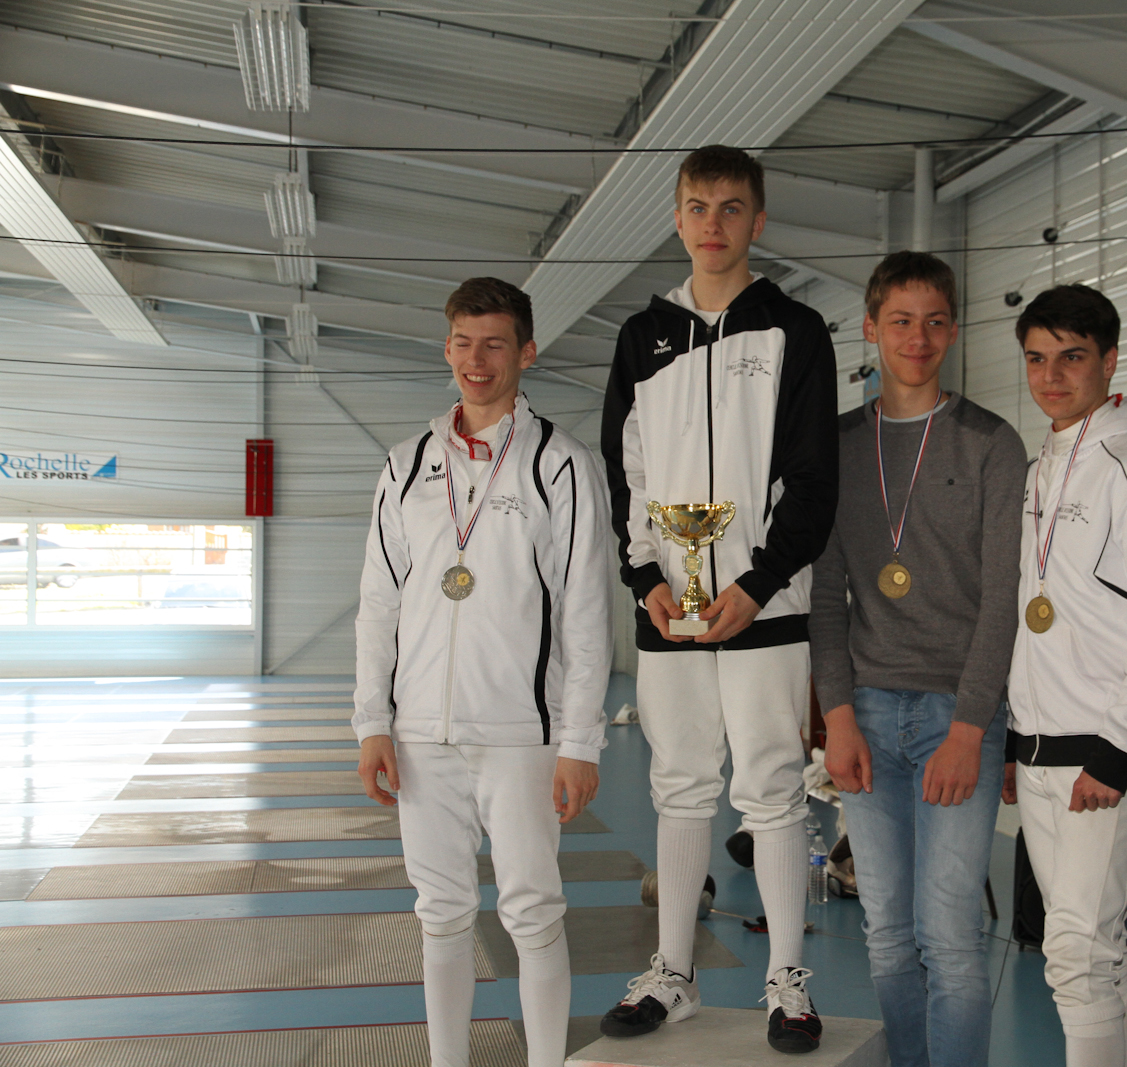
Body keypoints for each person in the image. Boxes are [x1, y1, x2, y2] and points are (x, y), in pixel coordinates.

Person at [599, 145, 839, 1054]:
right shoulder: (642, 335)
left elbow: (814, 478)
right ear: (677, 218)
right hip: (672, 609)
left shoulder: (795, 330)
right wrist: (647, 578)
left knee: (772, 788)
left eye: (731, 207)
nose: (713, 223)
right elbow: (625, 472)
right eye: (698, 207)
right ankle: (674, 972)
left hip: (764, 606)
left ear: (757, 221)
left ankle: (787, 980)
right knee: (679, 786)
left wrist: (759, 580)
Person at [353, 277, 613, 1067]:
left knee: (533, 911)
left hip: (520, 734)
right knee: (440, 912)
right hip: (420, 733)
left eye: (495, 343)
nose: (477, 359)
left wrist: (581, 741)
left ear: (526, 352)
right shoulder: (406, 464)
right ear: (447, 349)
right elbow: (378, 604)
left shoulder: (561, 465)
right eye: (464, 342)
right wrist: (372, 722)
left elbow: (586, 610)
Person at [811, 251, 1026, 1067]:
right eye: (901, 321)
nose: (918, 337)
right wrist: (836, 718)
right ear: (871, 328)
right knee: (888, 934)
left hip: (956, 716)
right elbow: (826, 594)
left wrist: (970, 727)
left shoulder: (990, 443)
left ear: (954, 331)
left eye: (935, 321)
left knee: (951, 936)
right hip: (866, 713)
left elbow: (1003, 598)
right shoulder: (837, 445)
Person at [1002, 285, 1127, 1067]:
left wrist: (1117, 751)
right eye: (1037, 359)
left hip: (1104, 752)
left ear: (1109, 360)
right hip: (1043, 747)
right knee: (1097, 952)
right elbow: (1038, 616)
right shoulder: (1042, 466)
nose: (1051, 377)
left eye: (1071, 357)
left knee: (1077, 954)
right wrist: (1017, 738)